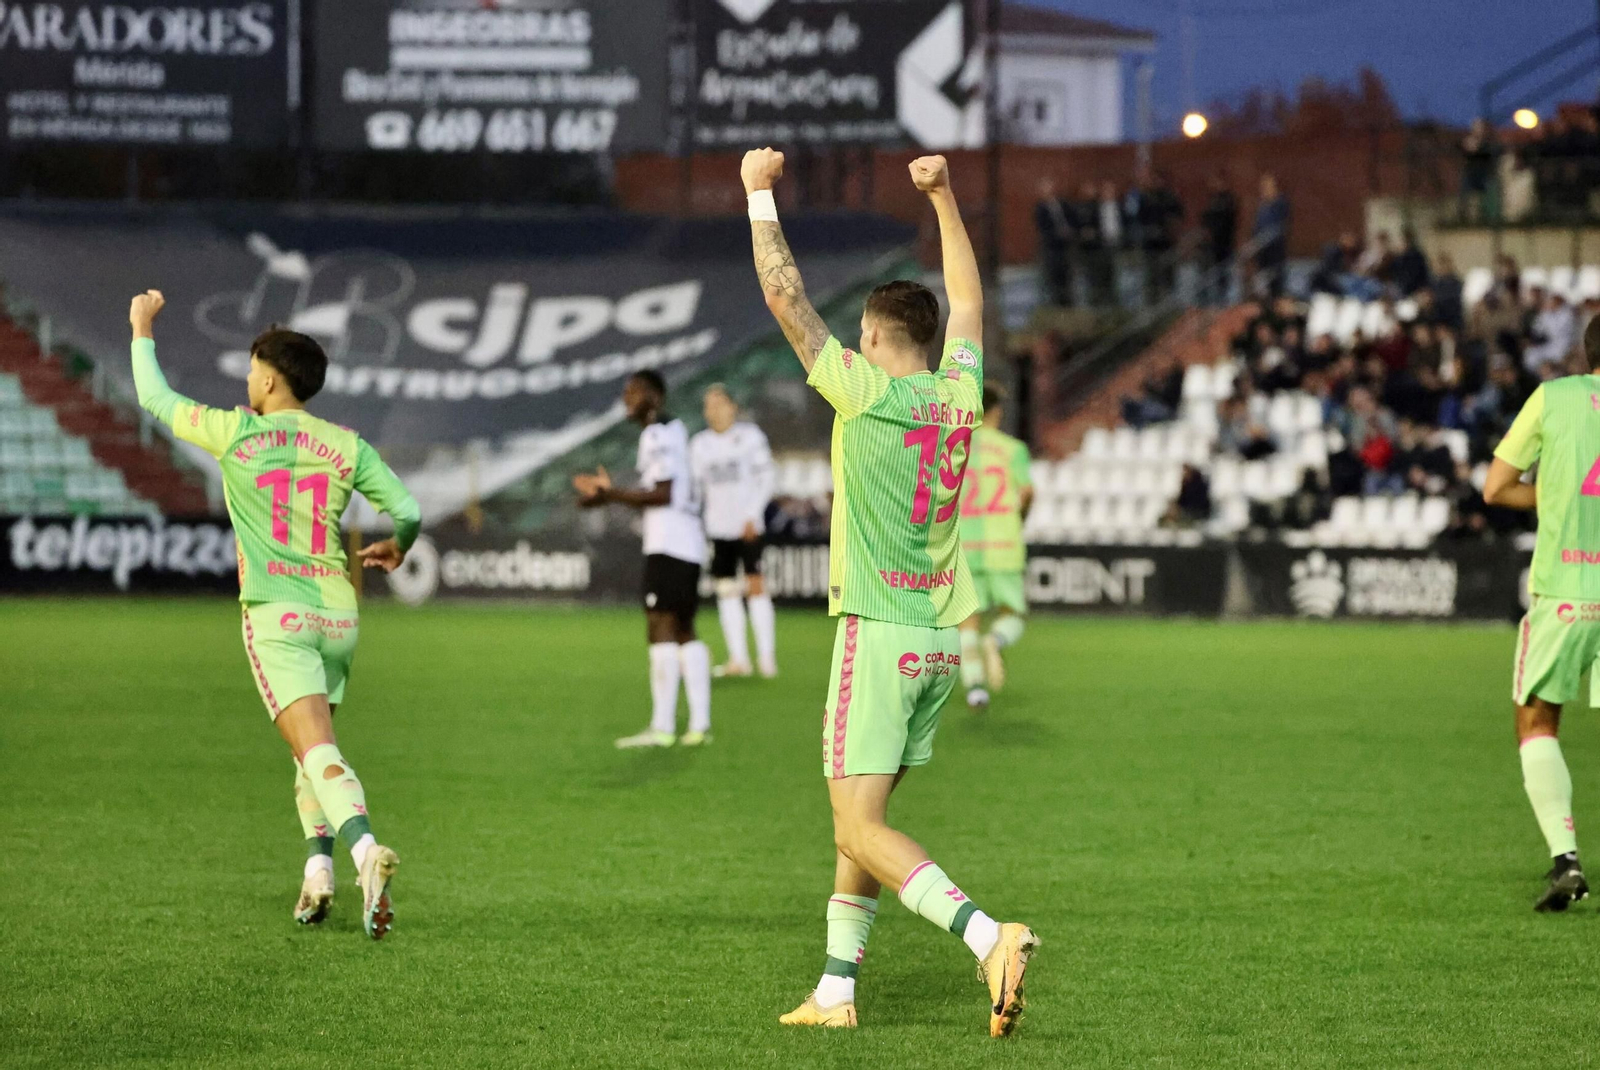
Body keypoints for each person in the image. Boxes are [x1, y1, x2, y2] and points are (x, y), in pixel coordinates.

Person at [742, 146, 1039, 1035]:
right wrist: (945, 197)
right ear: (932, 342)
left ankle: (989, 934)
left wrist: (759, 194)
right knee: (859, 822)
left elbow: (786, 299)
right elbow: (973, 303)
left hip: (875, 631)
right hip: (940, 639)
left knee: (858, 825)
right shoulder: (958, 394)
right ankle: (836, 991)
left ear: (873, 339)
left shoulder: (863, 394)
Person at [127, 291, 417, 940]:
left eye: (252, 368)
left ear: (268, 377)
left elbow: (155, 396)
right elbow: (409, 511)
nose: (246, 379)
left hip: (276, 614)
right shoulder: (346, 444)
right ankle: (319, 871)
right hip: (338, 615)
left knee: (315, 747)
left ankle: (367, 852)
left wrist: (142, 327)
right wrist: (399, 544)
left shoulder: (237, 433)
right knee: (309, 752)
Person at [1483, 316, 1600, 911]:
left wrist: (1552, 493)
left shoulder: (1555, 398)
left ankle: (1566, 859)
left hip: (1567, 591)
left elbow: (1496, 487)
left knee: (1537, 723)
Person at [573, 372, 712, 748]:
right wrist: (609, 495)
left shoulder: (658, 434)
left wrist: (611, 494)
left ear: (653, 396)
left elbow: (662, 494)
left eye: (632, 392)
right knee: (683, 627)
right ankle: (699, 725)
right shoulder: (674, 430)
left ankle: (663, 728)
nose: (625, 399)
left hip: (669, 542)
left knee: (660, 626)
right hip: (687, 541)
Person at [689, 384, 778, 679]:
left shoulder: (750, 438)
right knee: (726, 591)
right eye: (708, 405)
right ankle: (738, 658)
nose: (712, 410)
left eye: (718, 403)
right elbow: (696, 490)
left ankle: (767, 658)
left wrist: (754, 513)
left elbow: (766, 477)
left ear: (732, 406)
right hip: (718, 527)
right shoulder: (699, 445)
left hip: (748, 526)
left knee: (755, 586)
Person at [956, 385, 1034, 710]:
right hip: (1003, 544)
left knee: (966, 623)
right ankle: (996, 640)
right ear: (997, 411)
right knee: (1012, 615)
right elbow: (1027, 491)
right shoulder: (1012, 448)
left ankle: (975, 689)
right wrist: (1019, 519)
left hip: (966, 546)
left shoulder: (955, 447)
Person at [1033, 177, 1072, 306]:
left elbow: (1071, 218)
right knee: (1054, 277)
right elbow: (1042, 228)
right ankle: (1057, 303)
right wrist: (1057, 234)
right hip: (1052, 248)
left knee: (1067, 275)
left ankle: (1069, 303)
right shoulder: (1040, 208)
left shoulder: (1062, 204)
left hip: (1065, 247)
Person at [1199, 174, 1237, 306]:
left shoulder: (1228, 200)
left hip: (1223, 244)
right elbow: (1205, 219)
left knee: (1222, 273)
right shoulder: (1212, 200)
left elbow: (1227, 222)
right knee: (1208, 273)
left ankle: (1222, 300)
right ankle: (1207, 300)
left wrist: (1213, 233)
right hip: (1210, 246)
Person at [1252, 172, 1289, 300]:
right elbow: (1257, 227)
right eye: (1262, 187)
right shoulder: (1262, 206)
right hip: (1262, 255)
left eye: (1267, 186)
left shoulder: (1280, 204)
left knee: (1276, 286)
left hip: (1275, 254)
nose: (1264, 190)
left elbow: (1278, 228)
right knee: (1261, 287)